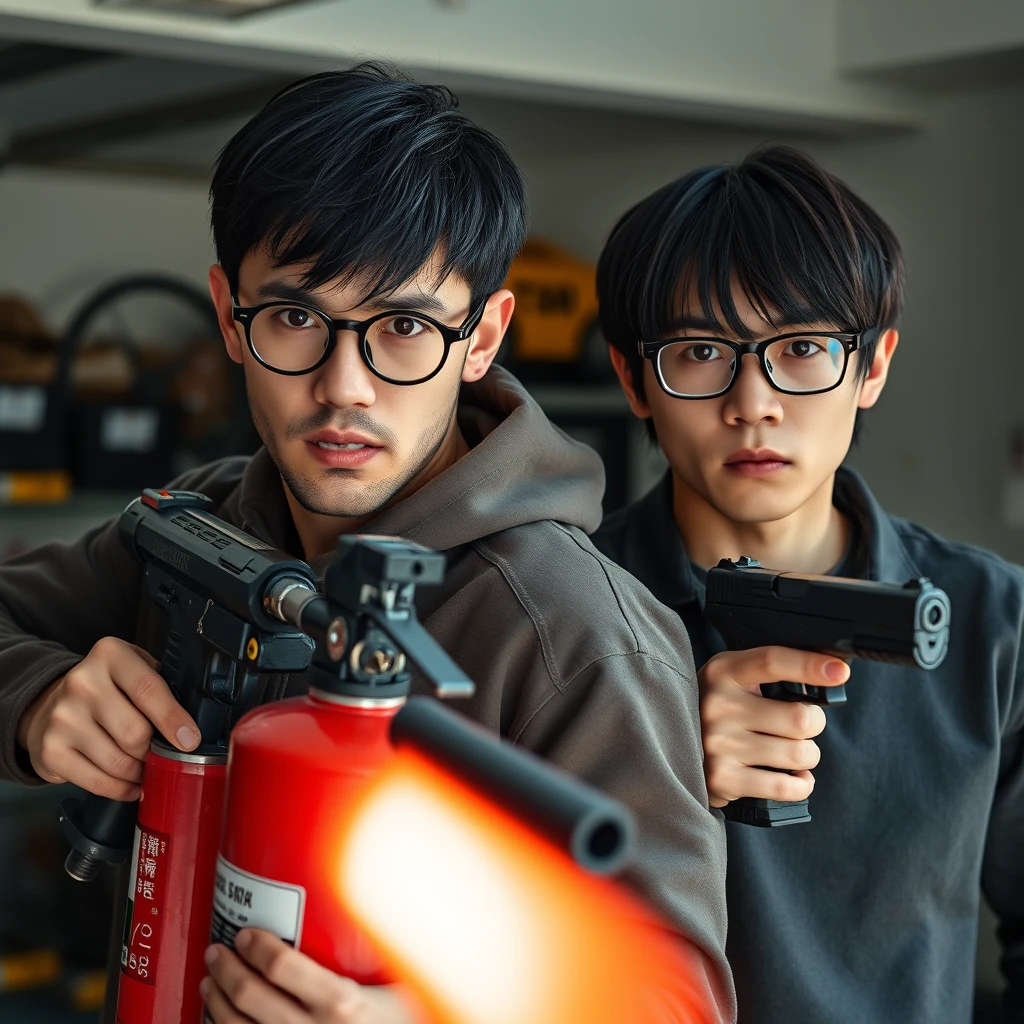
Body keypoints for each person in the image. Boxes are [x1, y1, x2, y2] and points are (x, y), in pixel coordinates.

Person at [0, 66, 733, 1023]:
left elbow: (674, 998)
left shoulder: (570, 632)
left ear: (481, 337)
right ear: (229, 315)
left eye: (402, 327)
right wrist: (38, 699)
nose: (346, 386)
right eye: (297, 318)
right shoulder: (202, 526)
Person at [592, 144, 1024, 1024]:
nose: (754, 400)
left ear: (873, 367)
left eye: (801, 348)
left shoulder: (993, 623)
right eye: (702, 351)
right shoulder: (557, 615)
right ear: (633, 378)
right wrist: (655, 776)